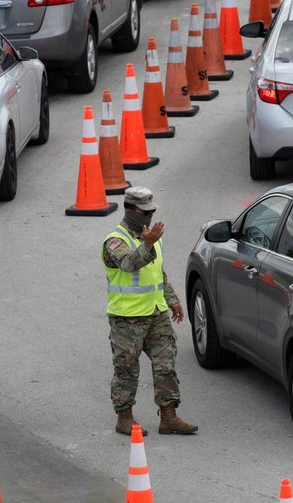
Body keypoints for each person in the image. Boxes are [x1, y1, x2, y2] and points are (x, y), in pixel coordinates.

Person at [102, 186, 197, 436]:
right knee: (127, 369)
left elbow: (157, 273)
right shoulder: (115, 240)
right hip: (127, 318)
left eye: (151, 211)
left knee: (166, 365)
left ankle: (169, 416)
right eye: (144, 212)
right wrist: (148, 244)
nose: (149, 216)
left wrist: (172, 299)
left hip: (156, 313)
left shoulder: (152, 237)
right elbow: (129, 264)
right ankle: (124, 417)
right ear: (131, 210)